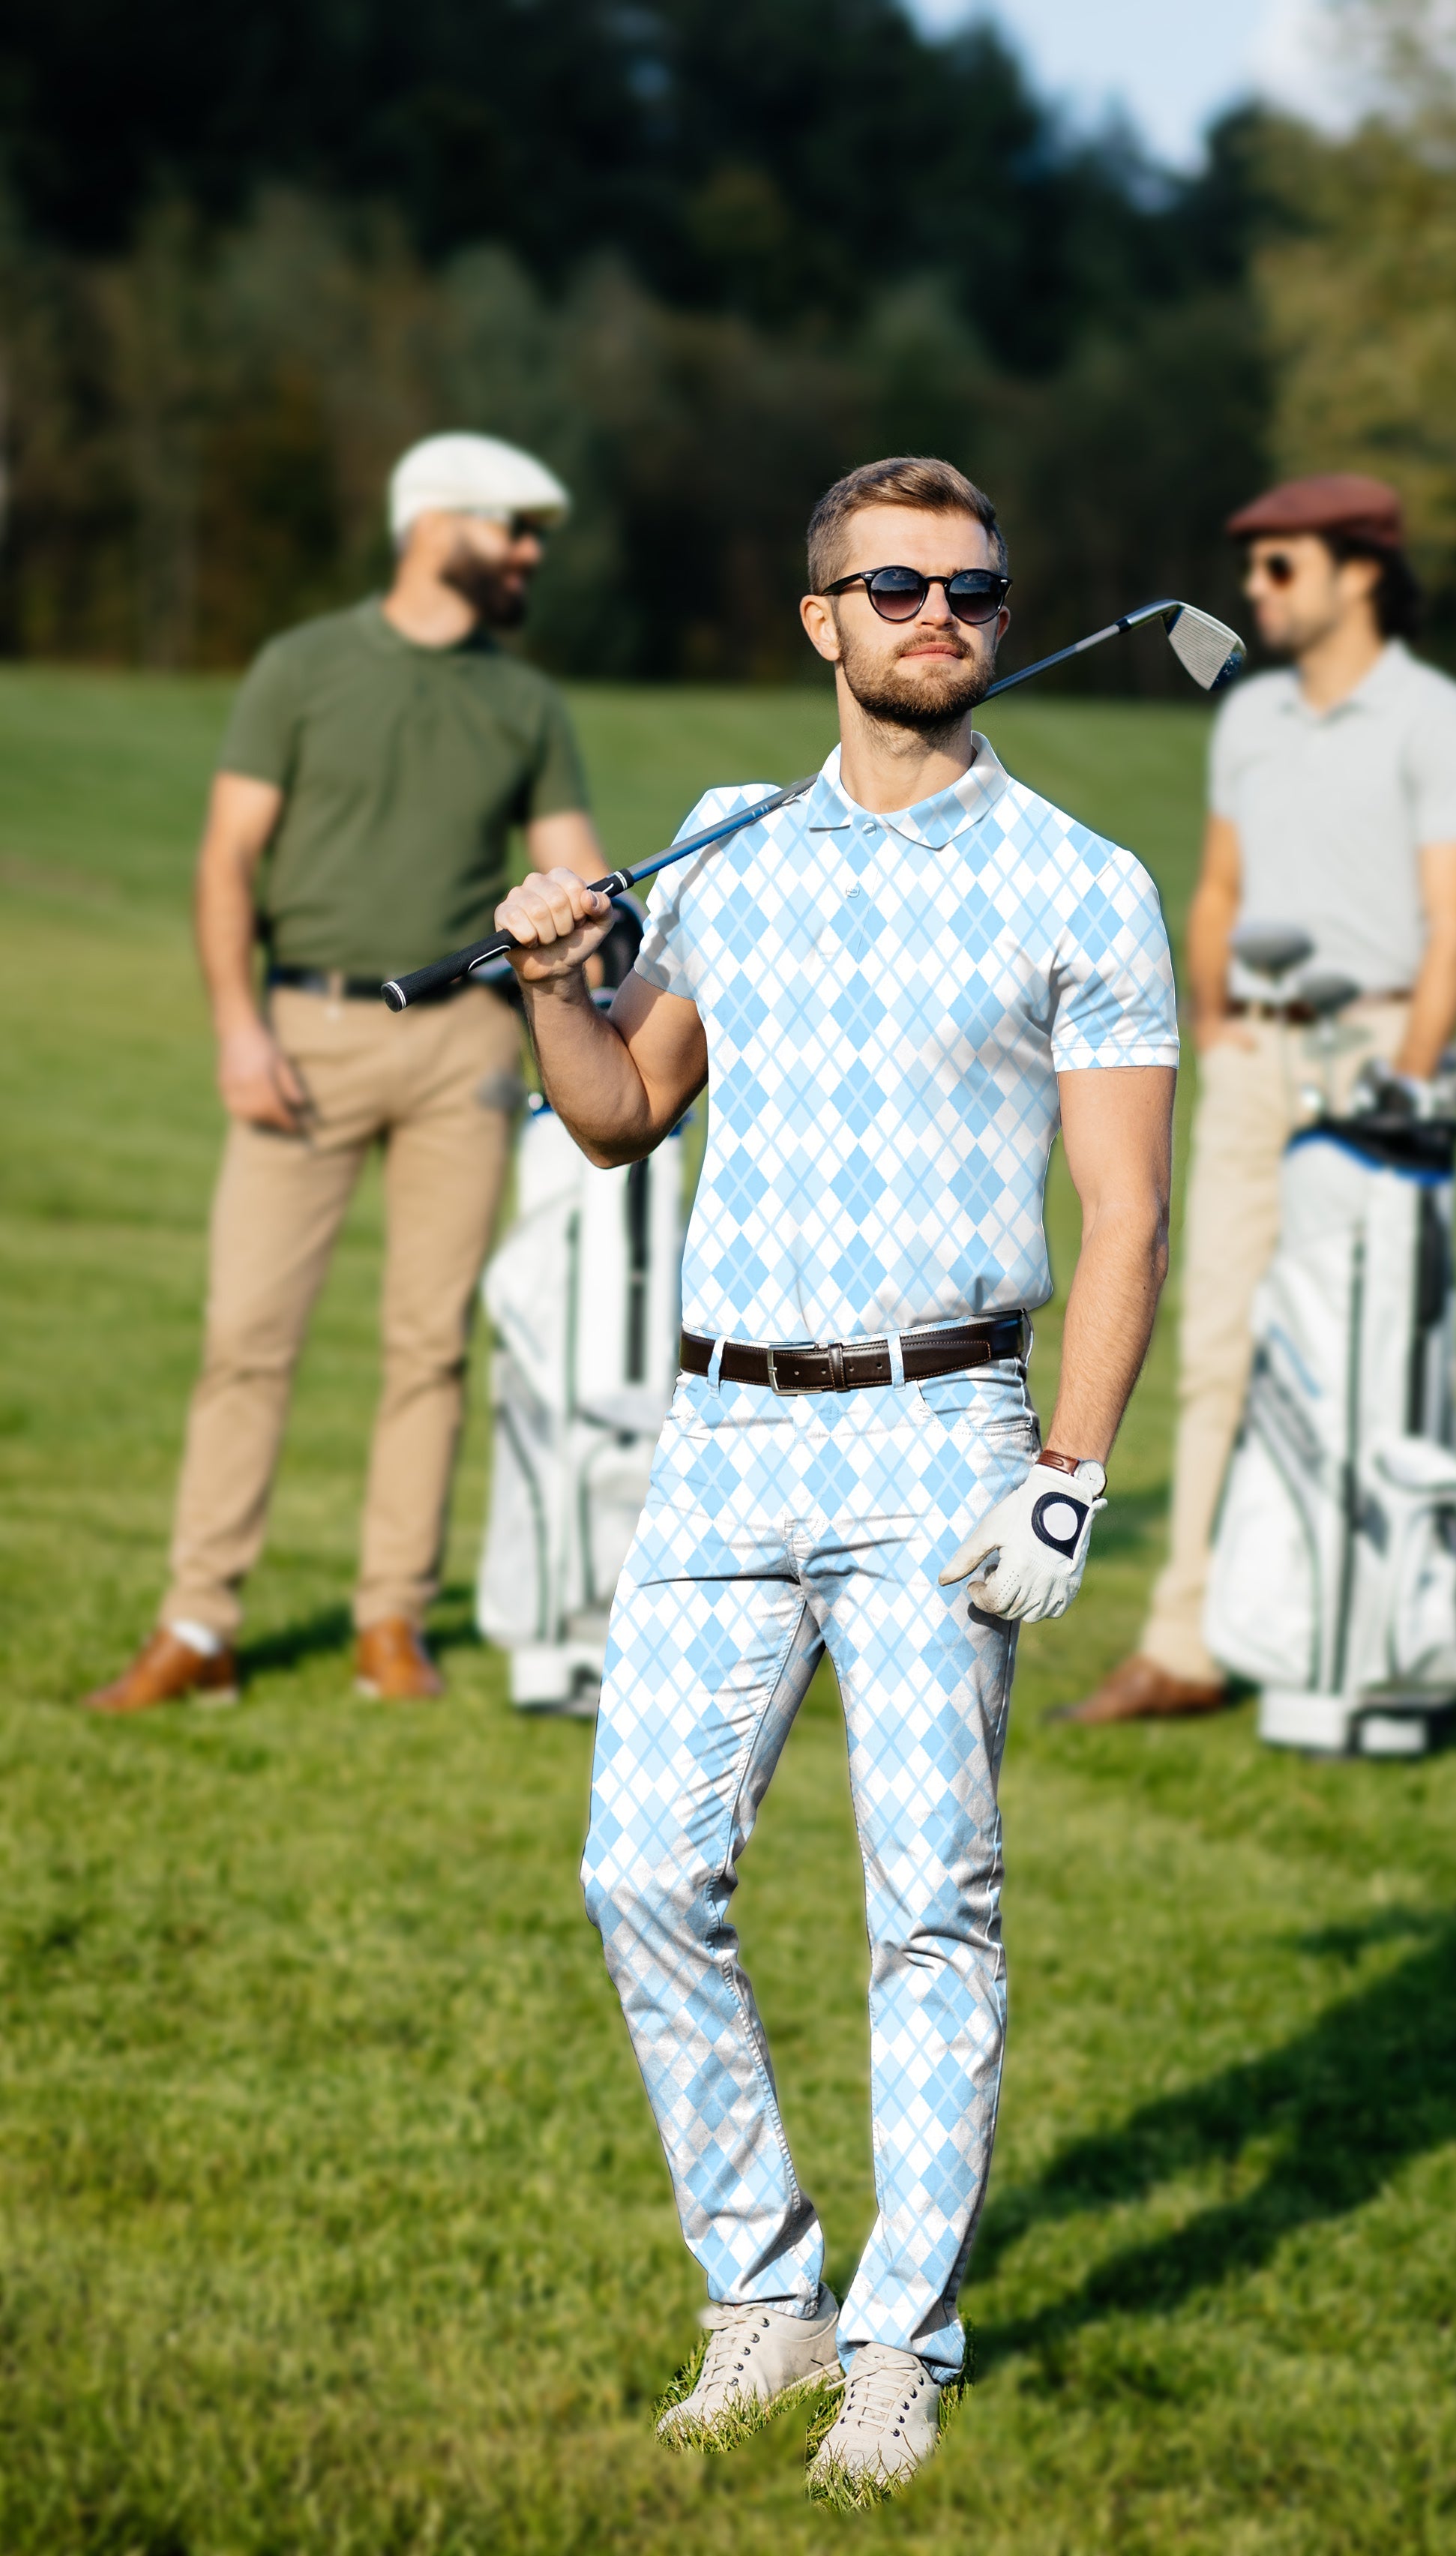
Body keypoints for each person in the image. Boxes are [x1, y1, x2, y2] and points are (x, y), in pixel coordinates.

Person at [493, 455, 1177, 2498]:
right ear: (823, 622)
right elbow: (618, 1112)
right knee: (639, 1869)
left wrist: (1069, 1470)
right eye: (894, 586)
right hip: (724, 1434)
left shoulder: (1081, 880)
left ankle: (899, 2340)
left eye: (971, 587)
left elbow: (1128, 1211)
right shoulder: (725, 849)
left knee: (929, 1900)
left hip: (941, 1432)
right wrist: (550, 980)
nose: (938, 614)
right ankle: (763, 2290)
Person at [84, 432, 607, 1713]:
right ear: (434, 525)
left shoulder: (526, 703)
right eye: (512, 528)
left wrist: (598, 945)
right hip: (303, 1032)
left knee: (429, 1345)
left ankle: (391, 1624)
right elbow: (227, 859)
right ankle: (199, 1623)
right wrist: (237, 1028)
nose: (530, 554)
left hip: (466, 1048)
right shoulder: (301, 667)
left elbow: (580, 871)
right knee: (246, 1336)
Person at [1060, 471, 1456, 1726]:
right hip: (1254, 1059)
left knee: (1362, 1358)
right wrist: (1216, 1021)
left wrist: (1406, 1085)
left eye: (1281, 565)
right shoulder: (1249, 717)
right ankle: (1188, 1643)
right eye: (1251, 566)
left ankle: (1357, 1636)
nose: (1254, 589)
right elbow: (1219, 889)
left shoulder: (1442, 721)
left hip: (1377, 1057)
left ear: (1361, 572)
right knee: (1216, 1350)